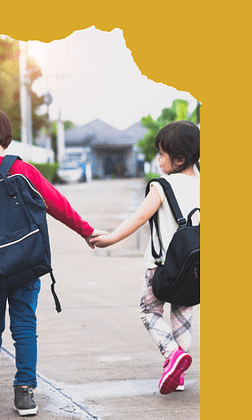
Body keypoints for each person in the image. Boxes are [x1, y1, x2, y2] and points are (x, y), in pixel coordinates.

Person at [0, 107, 97, 416]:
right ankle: (25, 391)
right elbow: (57, 204)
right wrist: (86, 231)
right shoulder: (24, 170)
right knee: (24, 323)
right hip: (27, 262)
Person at [89, 120, 200, 394]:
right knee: (181, 314)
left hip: (161, 267)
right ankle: (179, 374)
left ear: (179, 158)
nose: (158, 159)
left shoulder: (162, 186)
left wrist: (111, 238)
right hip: (196, 267)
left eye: (161, 154)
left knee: (149, 311)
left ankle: (172, 354)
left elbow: (139, 217)